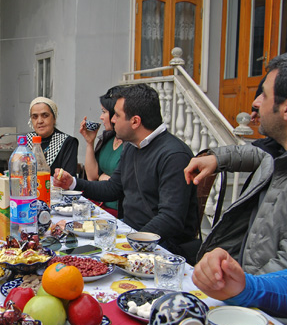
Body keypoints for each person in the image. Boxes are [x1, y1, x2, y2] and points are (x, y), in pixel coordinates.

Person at [184, 50, 287, 325]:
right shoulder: (286, 149)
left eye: (263, 94)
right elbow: (257, 153)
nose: (254, 103)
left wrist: (244, 290)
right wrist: (218, 157)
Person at [53, 84, 198, 261]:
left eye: (117, 115)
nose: (112, 120)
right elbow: (113, 188)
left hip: (163, 247)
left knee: (81, 262)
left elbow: (170, 219)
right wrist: (73, 183)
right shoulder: (131, 146)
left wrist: (127, 243)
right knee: (62, 252)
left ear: (135, 121)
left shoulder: (174, 155)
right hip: (129, 234)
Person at [79, 86, 126, 217]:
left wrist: (107, 179)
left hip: (117, 210)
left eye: (104, 112)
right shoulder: (109, 138)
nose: (101, 117)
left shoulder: (130, 144)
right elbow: (92, 177)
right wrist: (90, 142)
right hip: (98, 204)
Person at [26, 97, 78, 176]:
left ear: (54, 118)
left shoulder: (67, 142)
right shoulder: (26, 141)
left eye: (45, 115)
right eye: (35, 117)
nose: (40, 121)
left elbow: (69, 178)